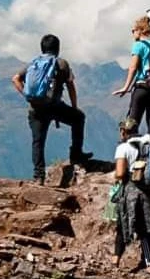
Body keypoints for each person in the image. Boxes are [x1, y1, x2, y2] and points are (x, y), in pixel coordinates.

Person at [11, 34, 93, 185]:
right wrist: (75, 107)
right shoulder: (61, 63)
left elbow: (15, 78)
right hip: (55, 107)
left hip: (35, 109)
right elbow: (70, 86)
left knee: (38, 141)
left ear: (42, 48)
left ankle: (38, 177)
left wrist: (26, 95)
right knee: (79, 118)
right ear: (58, 48)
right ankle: (76, 155)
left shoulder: (33, 64)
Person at [112, 116, 150, 273]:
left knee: (123, 223)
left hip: (130, 191)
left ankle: (116, 260)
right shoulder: (148, 144)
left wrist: (116, 177)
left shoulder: (123, 148)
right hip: (147, 191)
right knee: (145, 228)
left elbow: (120, 173)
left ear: (123, 131)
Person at [113, 14, 150, 135]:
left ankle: (130, 145)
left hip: (142, 87)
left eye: (133, 30)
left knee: (132, 122)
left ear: (140, 30)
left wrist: (126, 87)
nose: (132, 33)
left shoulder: (139, 45)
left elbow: (133, 67)